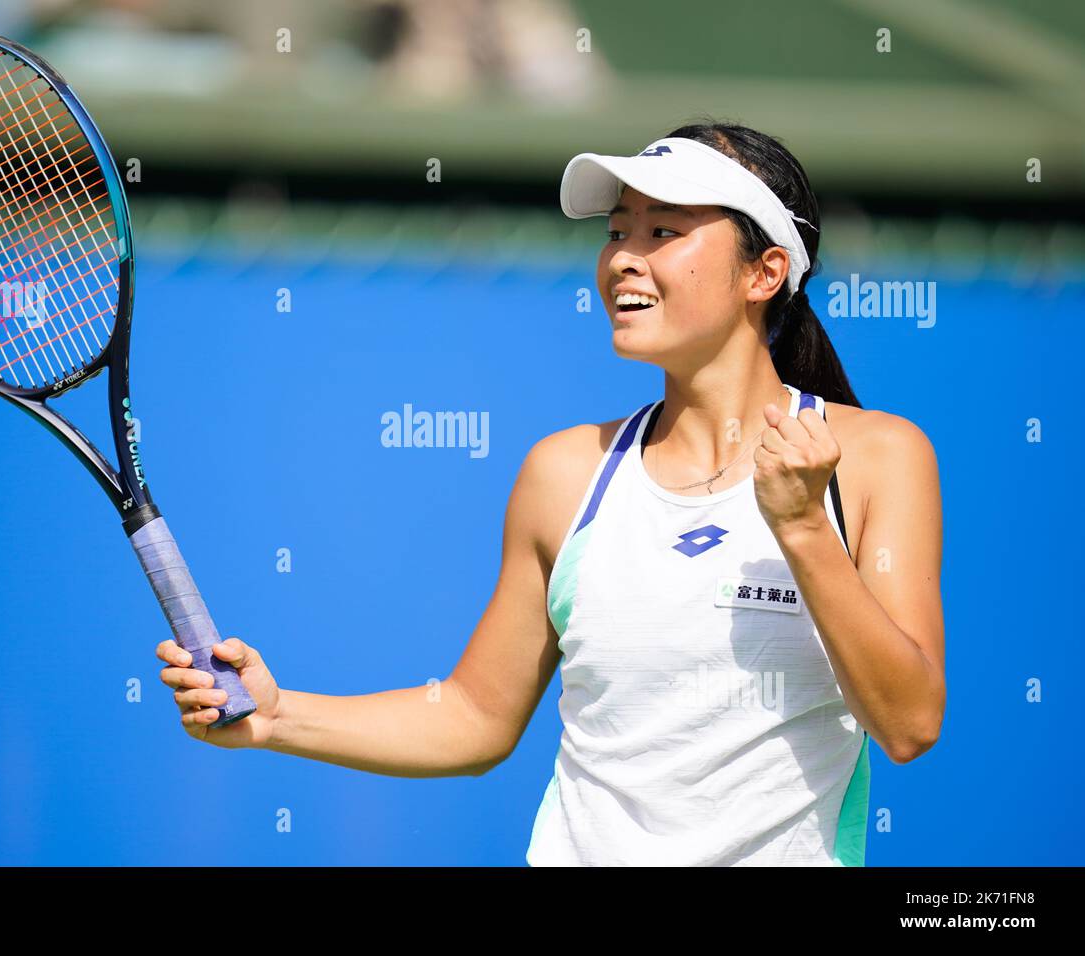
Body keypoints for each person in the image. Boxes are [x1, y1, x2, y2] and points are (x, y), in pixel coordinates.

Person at [156, 122, 946, 866]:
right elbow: (475, 716)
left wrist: (802, 528)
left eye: (662, 232)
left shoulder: (879, 457)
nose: (624, 258)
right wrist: (277, 714)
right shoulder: (563, 472)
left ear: (764, 272)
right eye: (617, 232)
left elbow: (909, 724)